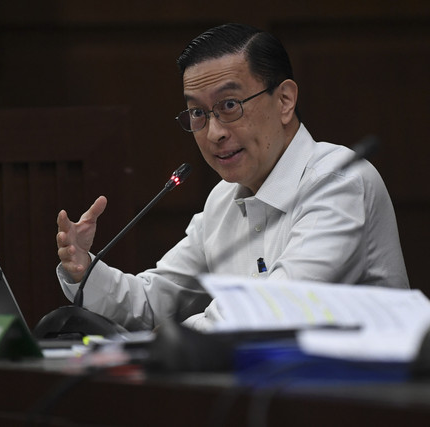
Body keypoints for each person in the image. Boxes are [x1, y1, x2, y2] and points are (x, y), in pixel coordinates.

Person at [55, 23, 409, 332]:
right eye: (198, 113)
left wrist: (172, 337)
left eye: (229, 105)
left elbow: (278, 309)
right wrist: (85, 270)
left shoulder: (337, 179)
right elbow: (153, 302)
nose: (213, 134)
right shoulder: (224, 199)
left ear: (284, 100)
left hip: (361, 399)